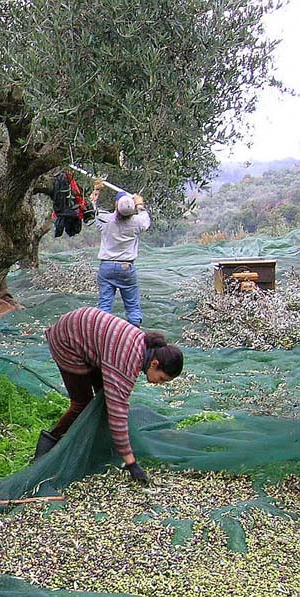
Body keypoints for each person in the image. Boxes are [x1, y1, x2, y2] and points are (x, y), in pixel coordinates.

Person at [34, 307, 184, 484]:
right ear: (155, 363)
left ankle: (95, 443)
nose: (159, 384)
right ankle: (46, 447)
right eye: (162, 379)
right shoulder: (127, 362)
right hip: (68, 340)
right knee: (82, 404)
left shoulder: (143, 348)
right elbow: (117, 415)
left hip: (88, 335)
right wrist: (131, 463)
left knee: (103, 397)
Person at [91, 180, 151, 327]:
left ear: (116, 207)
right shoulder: (137, 222)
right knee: (132, 307)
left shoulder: (105, 220)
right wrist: (139, 203)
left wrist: (96, 191)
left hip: (106, 267)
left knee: (104, 306)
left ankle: (102, 336)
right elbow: (145, 217)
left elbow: (90, 209)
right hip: (126, 268)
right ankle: (134, 334)